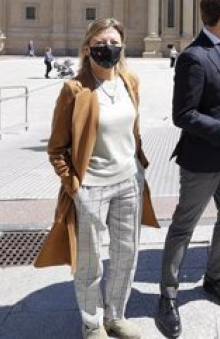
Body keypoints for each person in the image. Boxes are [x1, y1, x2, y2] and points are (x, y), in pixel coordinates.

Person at [34, 19, 158, 339]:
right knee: (90, 262)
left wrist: (139, 165)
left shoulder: (130, 82)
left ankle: (116, 315)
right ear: (88, 48)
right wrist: (74, 186)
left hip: (129, 182)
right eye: (101, 43)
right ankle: (92, 323)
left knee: (126, 254)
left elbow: (133, 129)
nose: (108, 48)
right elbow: (57, 148)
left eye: (114, 42)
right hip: (91, 187)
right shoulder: (75, 90)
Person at [155, 0, 220, 339]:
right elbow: (182, 115)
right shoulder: (193, 57)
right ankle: (168, 295)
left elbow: (218, 102)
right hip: (201, 159)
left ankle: (215, 279)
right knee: (185, 225)